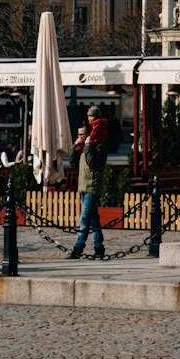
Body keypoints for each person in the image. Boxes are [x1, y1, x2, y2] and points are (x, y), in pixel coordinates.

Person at [69, 106, 108, 260]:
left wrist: (88, 145)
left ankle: (78, 248)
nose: (80, 136)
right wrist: (75, 146)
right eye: (78, 134)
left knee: (84, 218)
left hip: (93, 186)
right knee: (94, 219)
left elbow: (93, 164)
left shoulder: (98, 144)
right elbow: (73, 163)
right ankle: (99, 248)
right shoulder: (85, 145)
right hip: (83, 186)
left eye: (82, 134)